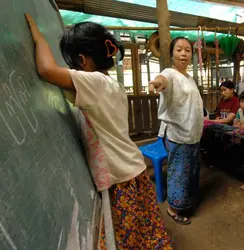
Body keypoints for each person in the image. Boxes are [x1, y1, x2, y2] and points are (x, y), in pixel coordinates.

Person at [25, 15, 172, 249]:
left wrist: (38, 37)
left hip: (121, 176)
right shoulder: (108, 84)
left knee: (128, 239)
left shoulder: (94, 83)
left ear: (81, 60)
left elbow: (46, 69)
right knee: (144, 233)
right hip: (129, 169)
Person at [149, 37, 203, 225]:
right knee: (178, 172)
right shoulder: (169, 73)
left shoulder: (189, 78)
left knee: (189, 172)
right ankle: (173, 208)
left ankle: (186, 202)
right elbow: (163, 80)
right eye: (179, 49)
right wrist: (157, 83)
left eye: (187, 50)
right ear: (172, 53)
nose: (183, 53)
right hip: (178, 135)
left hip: (192, 135)